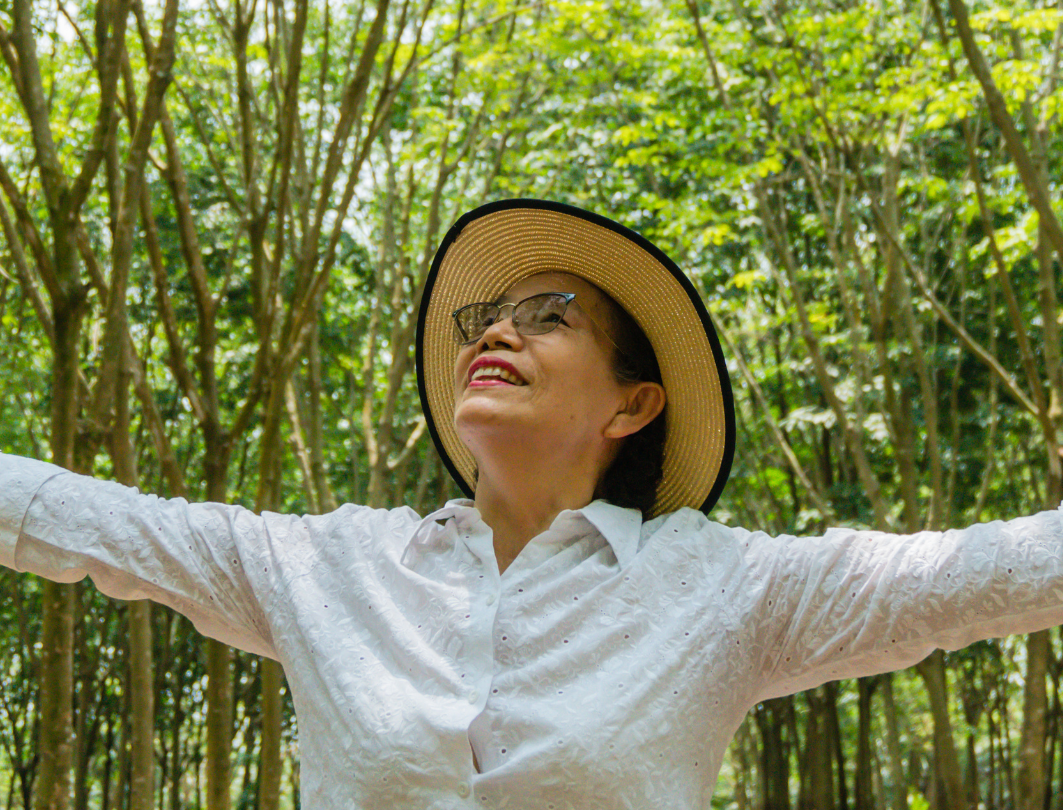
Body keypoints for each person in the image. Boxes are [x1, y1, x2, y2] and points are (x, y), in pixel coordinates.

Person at [3, 197, 1063, 810]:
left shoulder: (720, 585)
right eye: (488, 316)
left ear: (632, 403)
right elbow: (82, 518)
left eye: (546, 317)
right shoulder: (330, 568)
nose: (494, 333)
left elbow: (964, 577)